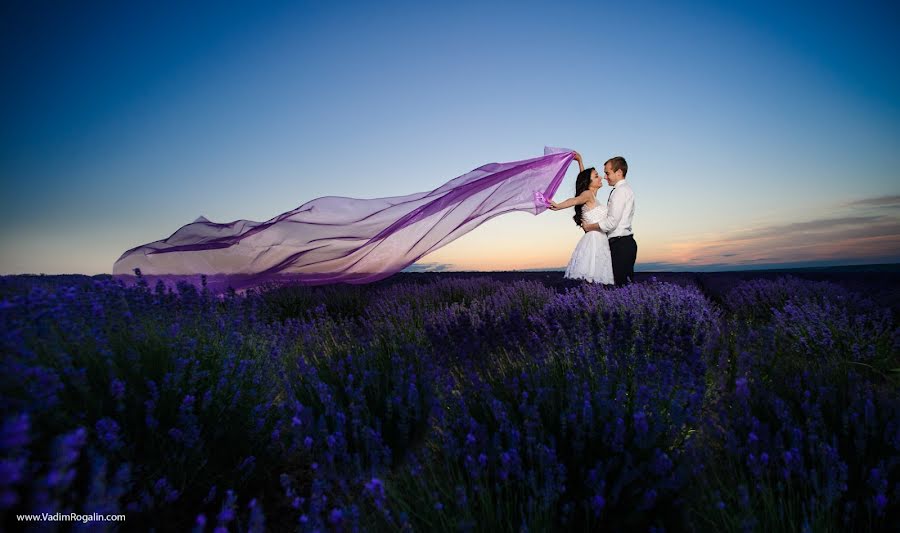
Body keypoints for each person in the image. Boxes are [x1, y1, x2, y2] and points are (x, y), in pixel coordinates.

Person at [549, 152, 614, 285]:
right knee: (592, 280)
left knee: (596, 282)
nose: (600, 177)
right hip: (594, 242)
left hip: (601, 241)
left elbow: (584, 179)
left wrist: (580, 162)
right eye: (597, 176)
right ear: (590, 182)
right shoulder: (588, 194)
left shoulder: (592, 195)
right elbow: (574, 200)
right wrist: (558, 205)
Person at [580, 156, 636, 286]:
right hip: (620, 244)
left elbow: (611, 222)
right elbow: (585, 185)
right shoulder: (621, 190)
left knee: (619, 287)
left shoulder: (620, 192)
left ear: (619, 173)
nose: (605, 177)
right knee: (617, 286)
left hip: (620, 245)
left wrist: (590, 227)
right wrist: (580, 161)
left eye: (607, 173)